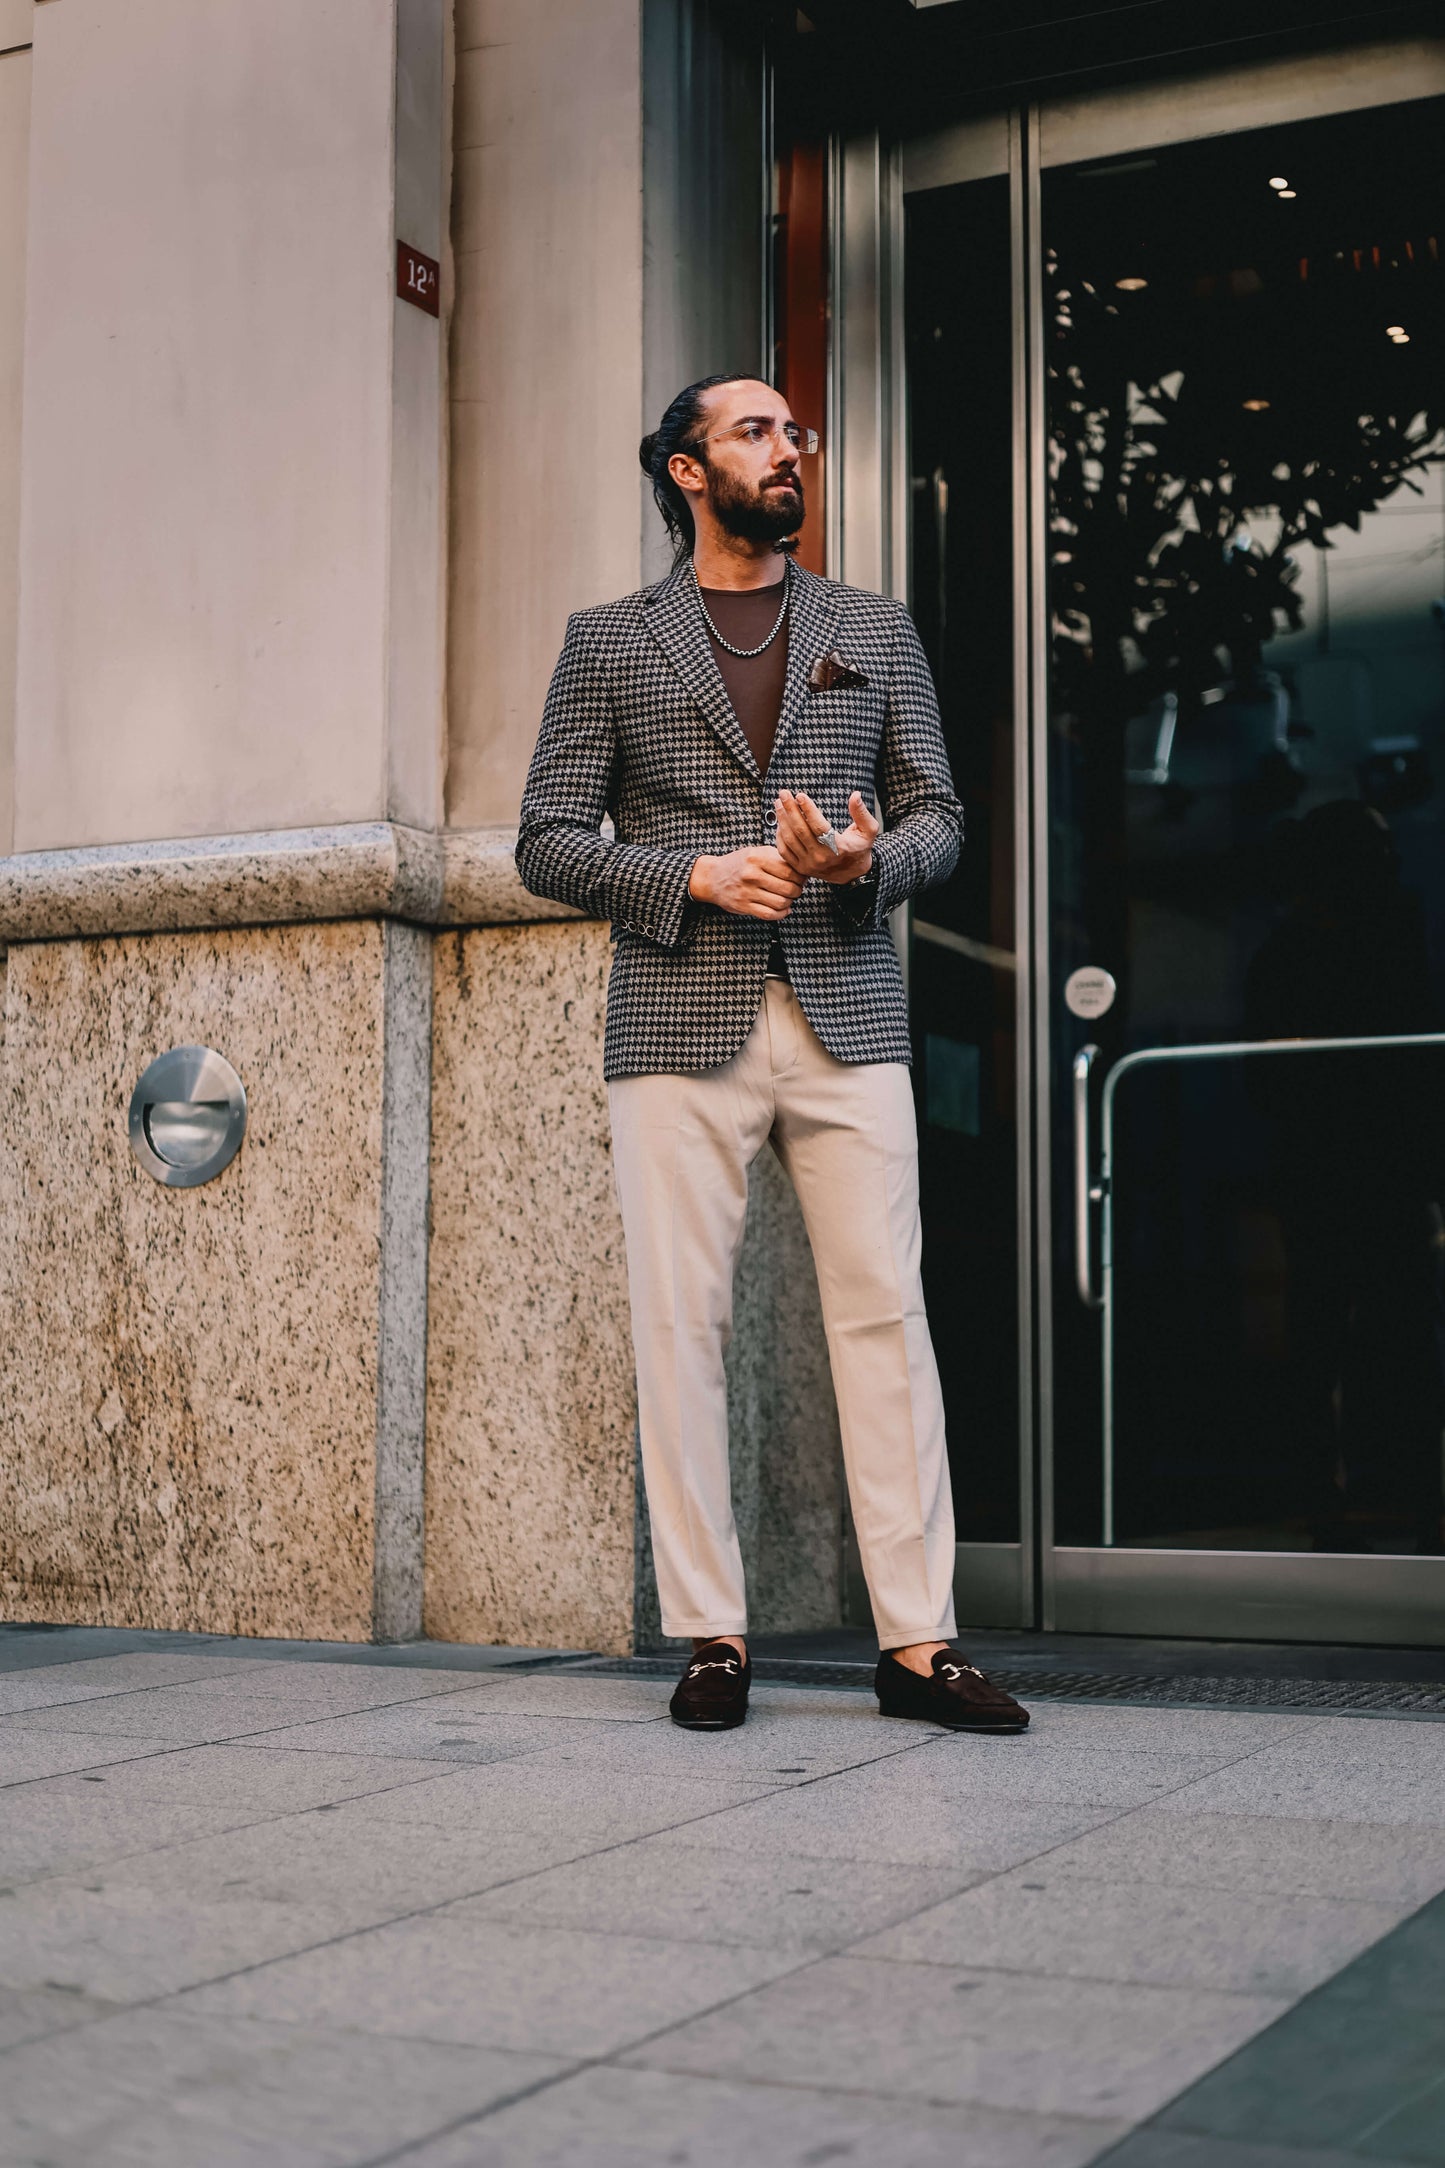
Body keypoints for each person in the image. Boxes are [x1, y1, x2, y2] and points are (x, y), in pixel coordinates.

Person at [517, 372, 1027, 1736]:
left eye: (795, 431)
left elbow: (938, 815)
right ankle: (711, 1636)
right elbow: (547, 838)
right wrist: (690, 877)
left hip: (847, 1011)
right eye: (755, 430)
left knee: (886, 1320)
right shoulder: (609, 640)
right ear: (687, 471)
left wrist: (866, 863)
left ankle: (916, 1645)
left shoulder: (871, 628)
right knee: (681, 1329)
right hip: (679, 1020)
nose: (787, 449)